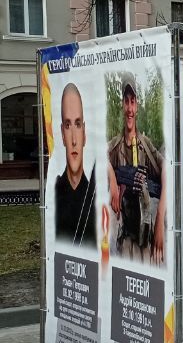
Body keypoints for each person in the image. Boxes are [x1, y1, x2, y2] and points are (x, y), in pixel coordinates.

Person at [107, 72, 165, 262]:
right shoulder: (115, 145)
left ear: (137, 106)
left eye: (133, 102)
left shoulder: (146, 145)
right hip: (125, 233)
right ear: (122, 105)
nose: (129, 108)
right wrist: (114, 180)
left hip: (146, 232)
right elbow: (97, 155)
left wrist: (159, 224)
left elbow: (167, 168)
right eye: (126, 102)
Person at [53, 83, 96, 246]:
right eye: (68, 125)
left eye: (78, 125)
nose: (74, 140)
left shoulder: (95, 197)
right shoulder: (54, 194)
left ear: (84, 133)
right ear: (62, 134)